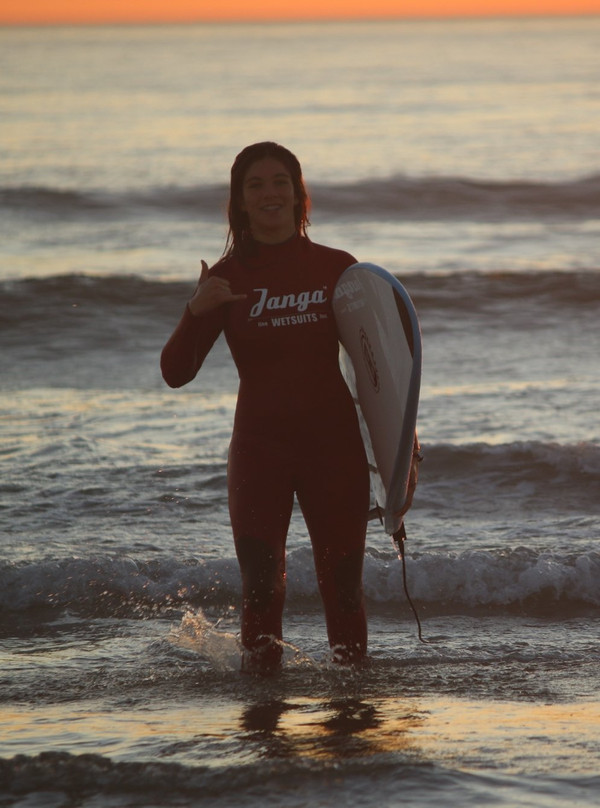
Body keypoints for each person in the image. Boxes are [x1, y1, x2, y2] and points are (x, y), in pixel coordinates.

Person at [160, 142, 374, 674]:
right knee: (259, 586)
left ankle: (353, 705)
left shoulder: (339, 270)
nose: (269, 193)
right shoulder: (227, 281)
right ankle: (261, 713)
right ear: (240, 201)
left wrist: (403, 450)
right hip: (261, 452)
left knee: (343, 585)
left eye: (280, 181)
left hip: (335, 449)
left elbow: (381, 371)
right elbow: (175, 372)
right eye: (255, 185)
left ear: (299, 194)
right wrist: (195, 310)